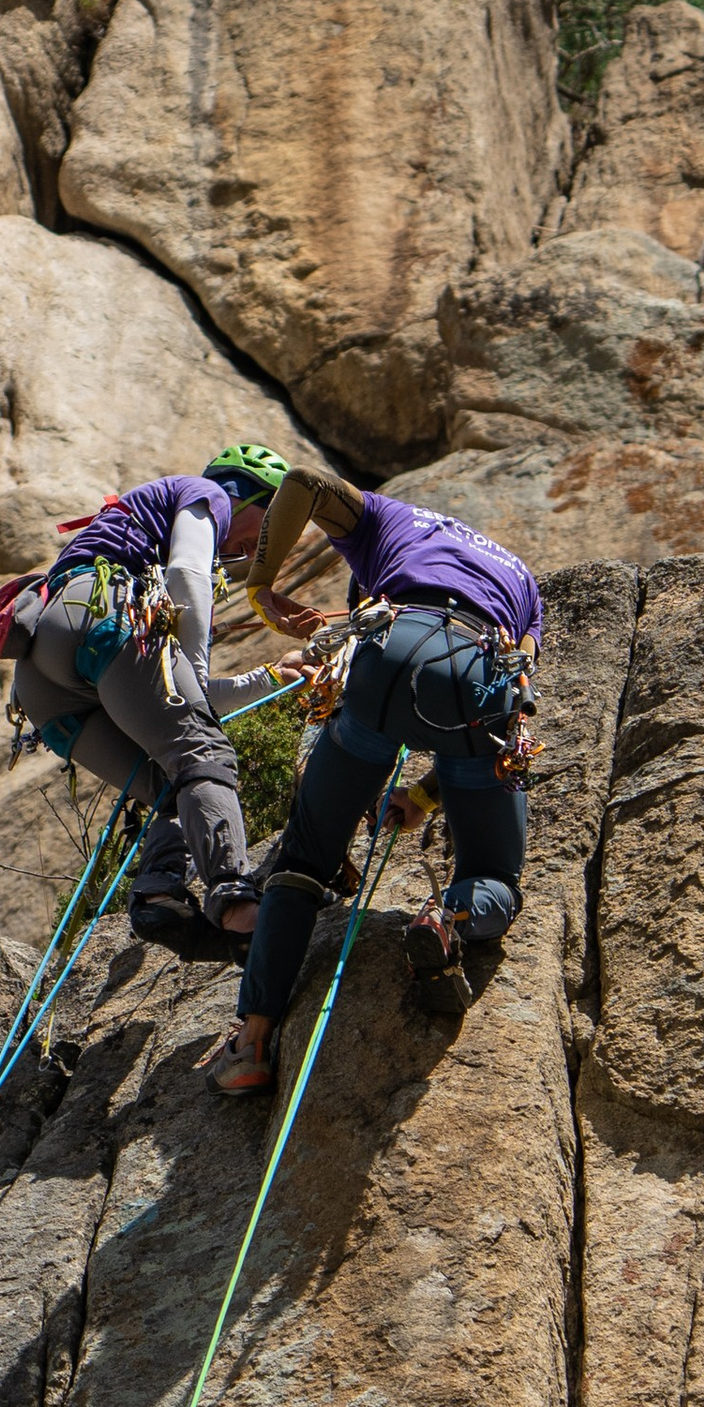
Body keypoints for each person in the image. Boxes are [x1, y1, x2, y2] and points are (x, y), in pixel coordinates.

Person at [217, 466, 544, 1100]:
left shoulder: (386, 521)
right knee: (496, 874)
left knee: (303, 862)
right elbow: (515, 688)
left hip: (388, 652)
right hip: (477, 672)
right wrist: (423, 797)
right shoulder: (525, 581)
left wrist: (261, 587)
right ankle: (448, 915)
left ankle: (251, 1042)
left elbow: (304, 481)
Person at [1, 448, 290, 944]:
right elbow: (188, 573)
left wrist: (269, 678)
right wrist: (196, 672)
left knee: (173, 778)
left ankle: (159, 896)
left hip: (43, 678)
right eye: (267, 529)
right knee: (203, 754)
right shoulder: (209, 495)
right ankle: (238, 904)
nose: (256, 548)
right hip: (105, 612)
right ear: (250, 496)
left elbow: (177, 704)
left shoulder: (142, 543)